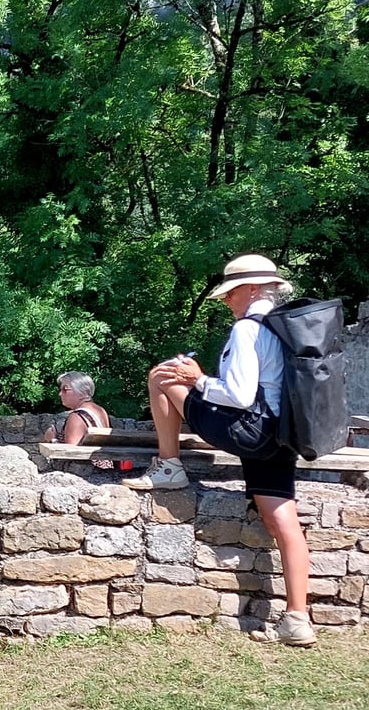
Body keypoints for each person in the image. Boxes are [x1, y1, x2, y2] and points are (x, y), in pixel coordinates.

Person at [125, 254, 315, 647]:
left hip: (248, 431)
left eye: (230, 294)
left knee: (161, 375)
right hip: (281, 435)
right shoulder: (288, 328)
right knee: (284, 523)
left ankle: (169, 466)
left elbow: (240, 396)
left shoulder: (248, 329)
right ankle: (298, 619)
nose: (227, 301)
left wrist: (198, 380)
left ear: (249, 290)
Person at [40, 371, 110, 444]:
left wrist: (52, 439)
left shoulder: (77, 417)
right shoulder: (101, 411)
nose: (60, 394)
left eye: (65, 389)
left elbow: (71, 453)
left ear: (82, 392)